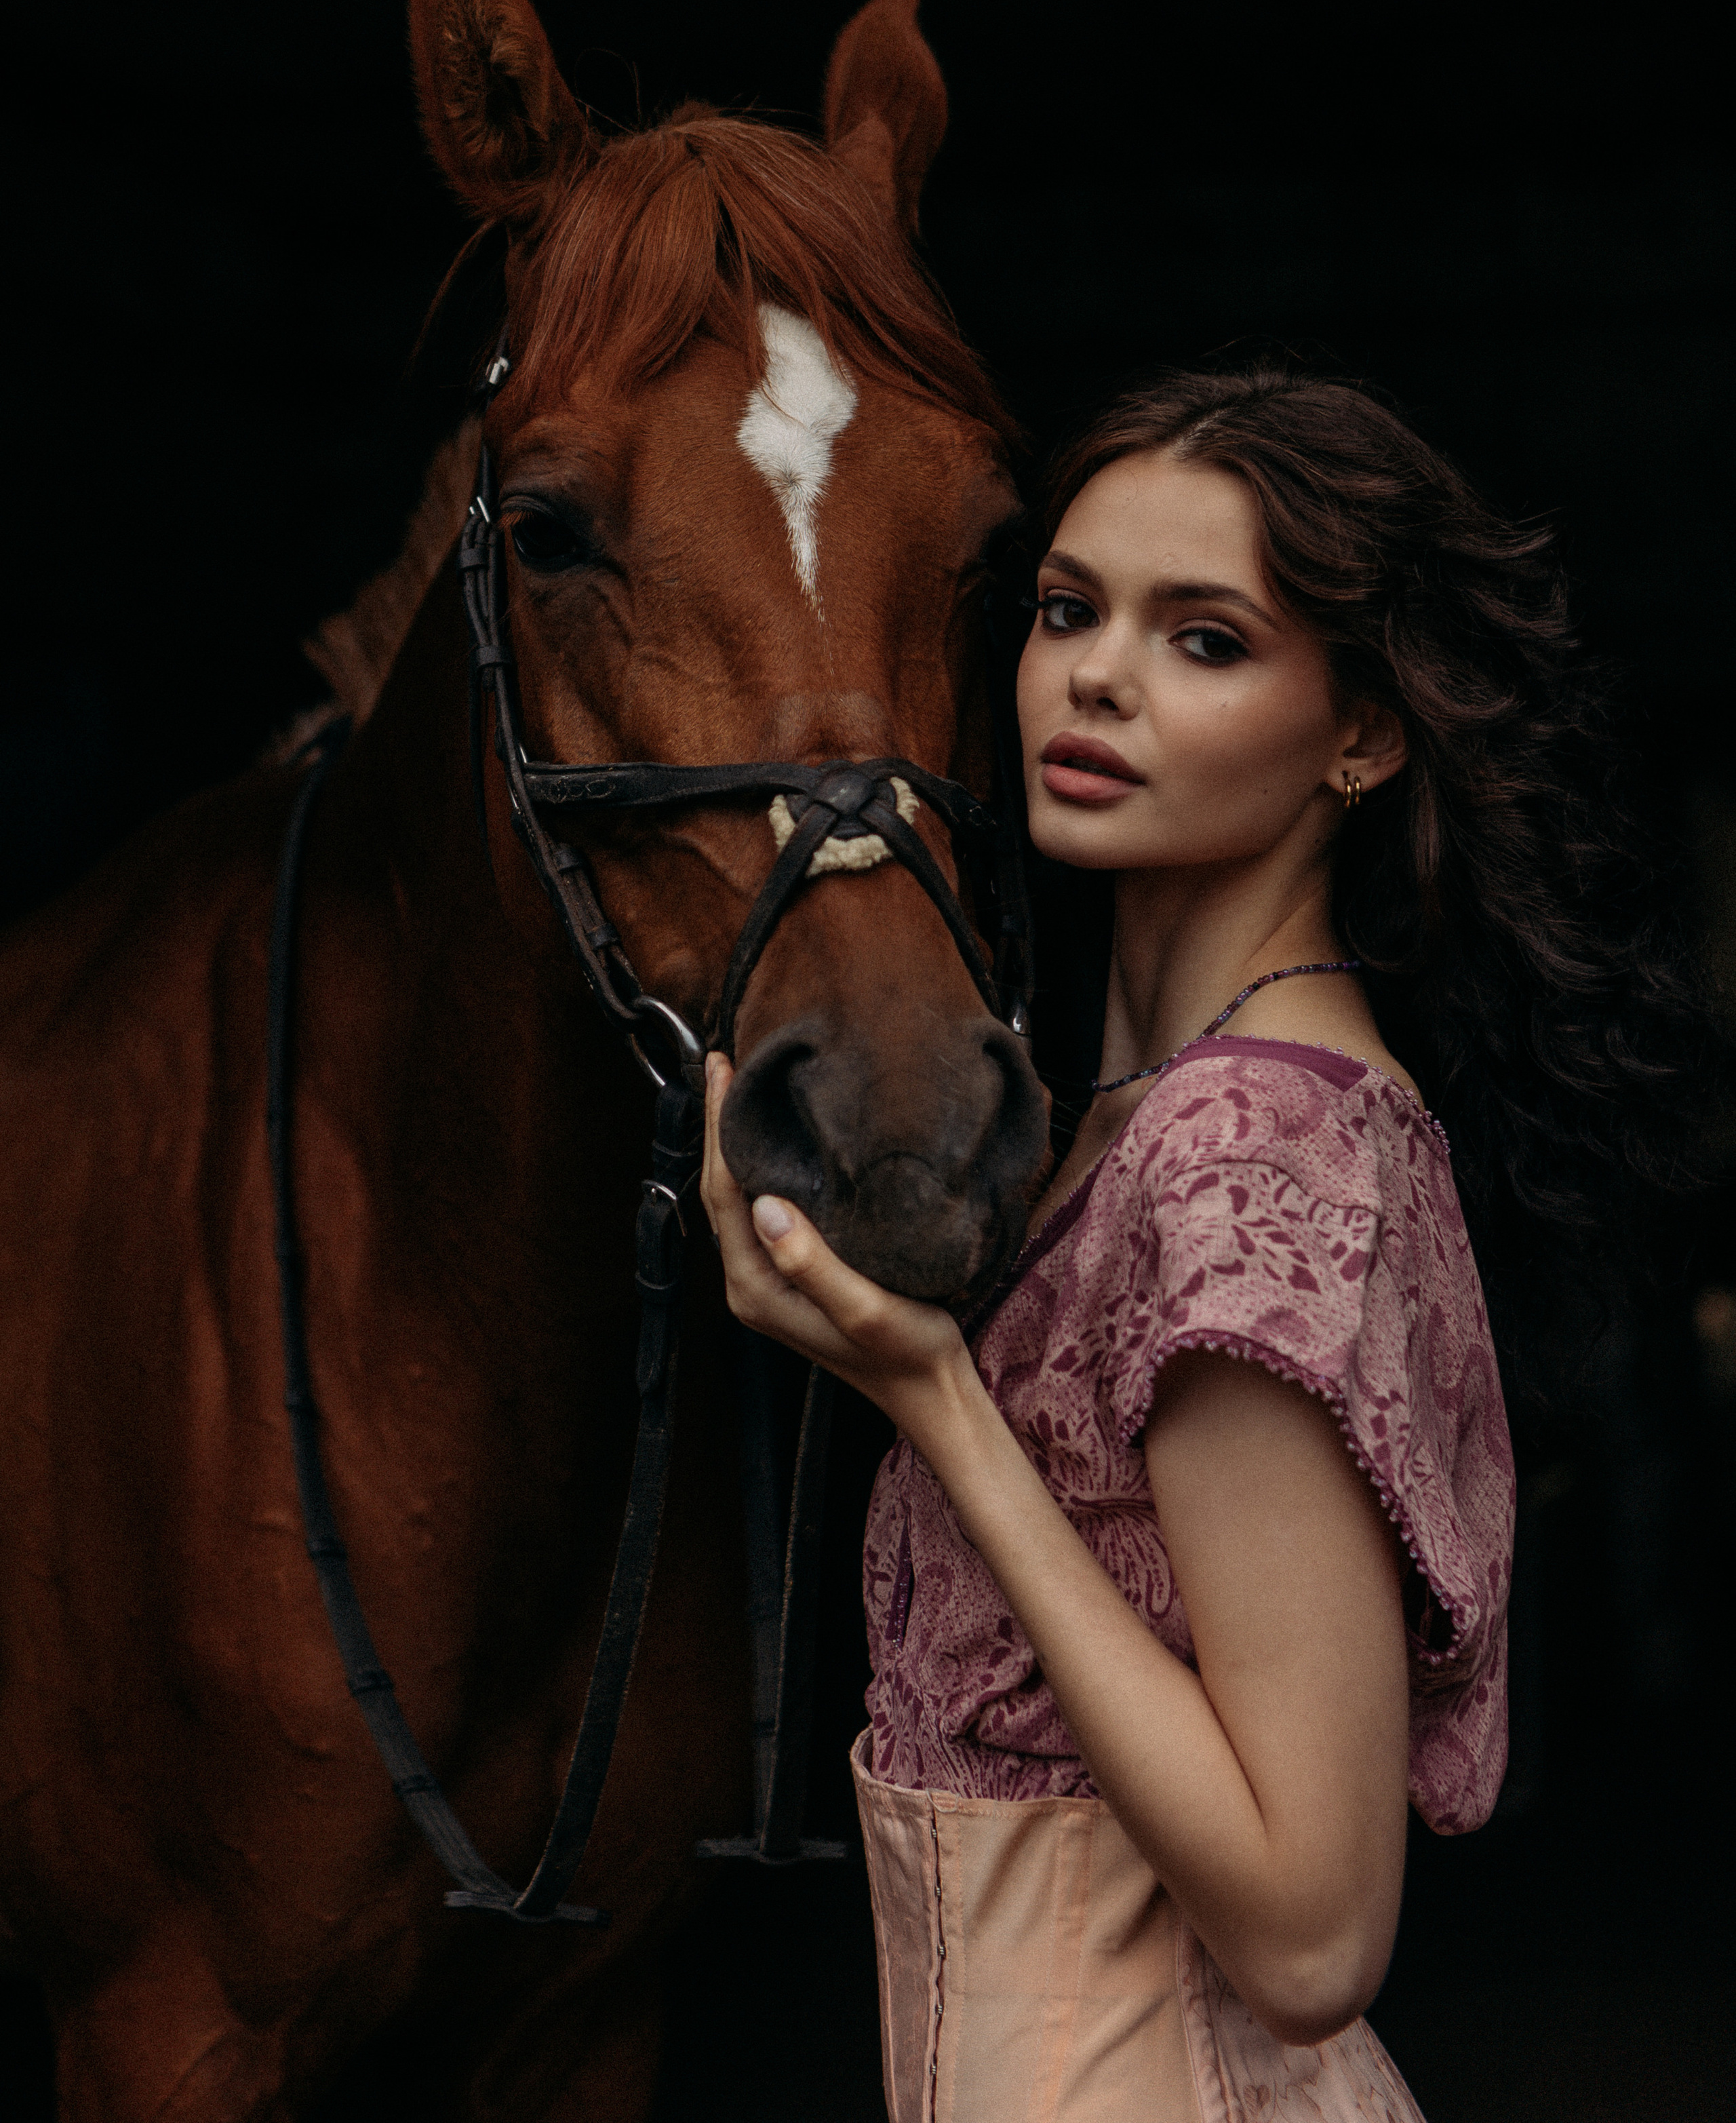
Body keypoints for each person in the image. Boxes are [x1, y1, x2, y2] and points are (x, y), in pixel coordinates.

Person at [701, 362, 1706, 2122]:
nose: (1094, 673)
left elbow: (1316, 1935)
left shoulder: (1251, 1146)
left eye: (1206, 639)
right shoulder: (1131, 1113)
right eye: (1068, 609)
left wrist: (932, 1397)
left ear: (1364, 734)